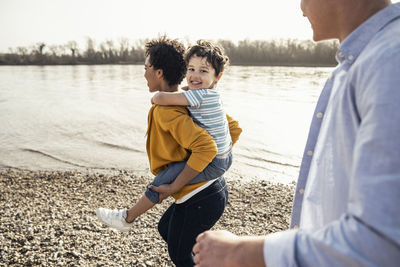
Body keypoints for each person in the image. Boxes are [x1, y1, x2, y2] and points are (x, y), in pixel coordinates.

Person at [192, 0, 400, 266]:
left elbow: (380, 242)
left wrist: (240, 252)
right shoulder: (358, 63)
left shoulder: (389, 61)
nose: (300, 7)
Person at [97, 36, 242, 266]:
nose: (144, 73)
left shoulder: (167, 110)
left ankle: (127, 217)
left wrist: (184, 180)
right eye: (191, 69)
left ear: (159, 73)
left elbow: (206, 147)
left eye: (146, 68)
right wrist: (214, 166)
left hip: (203, 196)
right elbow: (233, 128)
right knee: (165, 229)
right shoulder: (194, 101)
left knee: (179, 254)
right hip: (214, 187)